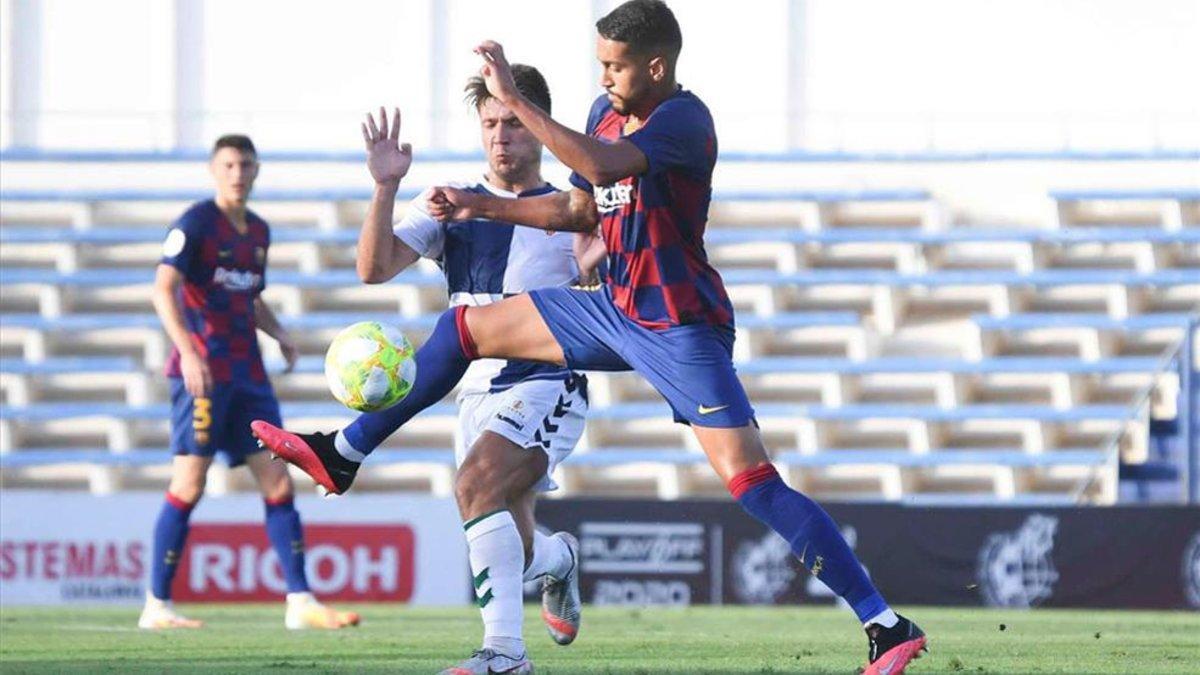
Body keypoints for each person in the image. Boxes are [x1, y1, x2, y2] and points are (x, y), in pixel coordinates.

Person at [254, 1, 926, 672]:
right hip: (613, 308)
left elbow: (605, 169)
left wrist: (517, 98)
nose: (604, 77)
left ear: (655, 65)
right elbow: (579, 205)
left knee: (753, 482)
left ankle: (885, 624)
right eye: (600, 63)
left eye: (616, 65)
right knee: (462, 328)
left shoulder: (684, 121)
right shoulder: (605, 113)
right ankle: (343, 451)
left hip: (678, 326)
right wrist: (481, 204)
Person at [328, 65, 595, 674]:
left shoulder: (567, 210)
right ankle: (557, 559)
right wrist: (384, 188)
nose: (501, 137)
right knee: (511, 539)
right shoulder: (450, 201)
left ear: (536, 126)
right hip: (469, 388)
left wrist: (595, 265)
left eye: (513, 123)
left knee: (476, 486)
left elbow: (599, 274)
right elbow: (374, 268)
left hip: (544, 382)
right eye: (490, 124)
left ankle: (504, 653)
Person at [139, 134, 359, 631]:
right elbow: (162, 289)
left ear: (257, 171)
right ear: (215, 171)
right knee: (189, 484)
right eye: (230, 165)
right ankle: (156, 606)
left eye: (246, 165)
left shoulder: (258, 232)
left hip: (249, 377)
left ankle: (300, 601)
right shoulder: (195, 224)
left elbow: (250, 296)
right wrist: (190, 353)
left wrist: (279, 333)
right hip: (204, 376)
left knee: (279, 481)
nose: (238, 173)